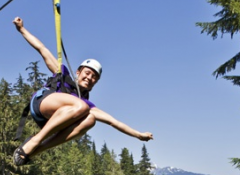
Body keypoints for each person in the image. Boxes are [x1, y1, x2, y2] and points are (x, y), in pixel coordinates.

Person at [12, 17, 153, 166]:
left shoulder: (86, 104)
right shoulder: (63, 74)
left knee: (90, 119)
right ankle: (35, 141)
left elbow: (114, 122)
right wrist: (22, 29)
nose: (89, 77)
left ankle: (36, 149)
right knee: (82, 107)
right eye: (87, 73)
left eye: (94, 77)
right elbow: (42, 49)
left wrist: (138, 135)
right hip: (42, 103)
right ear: (78, 72)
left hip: (50, 120)